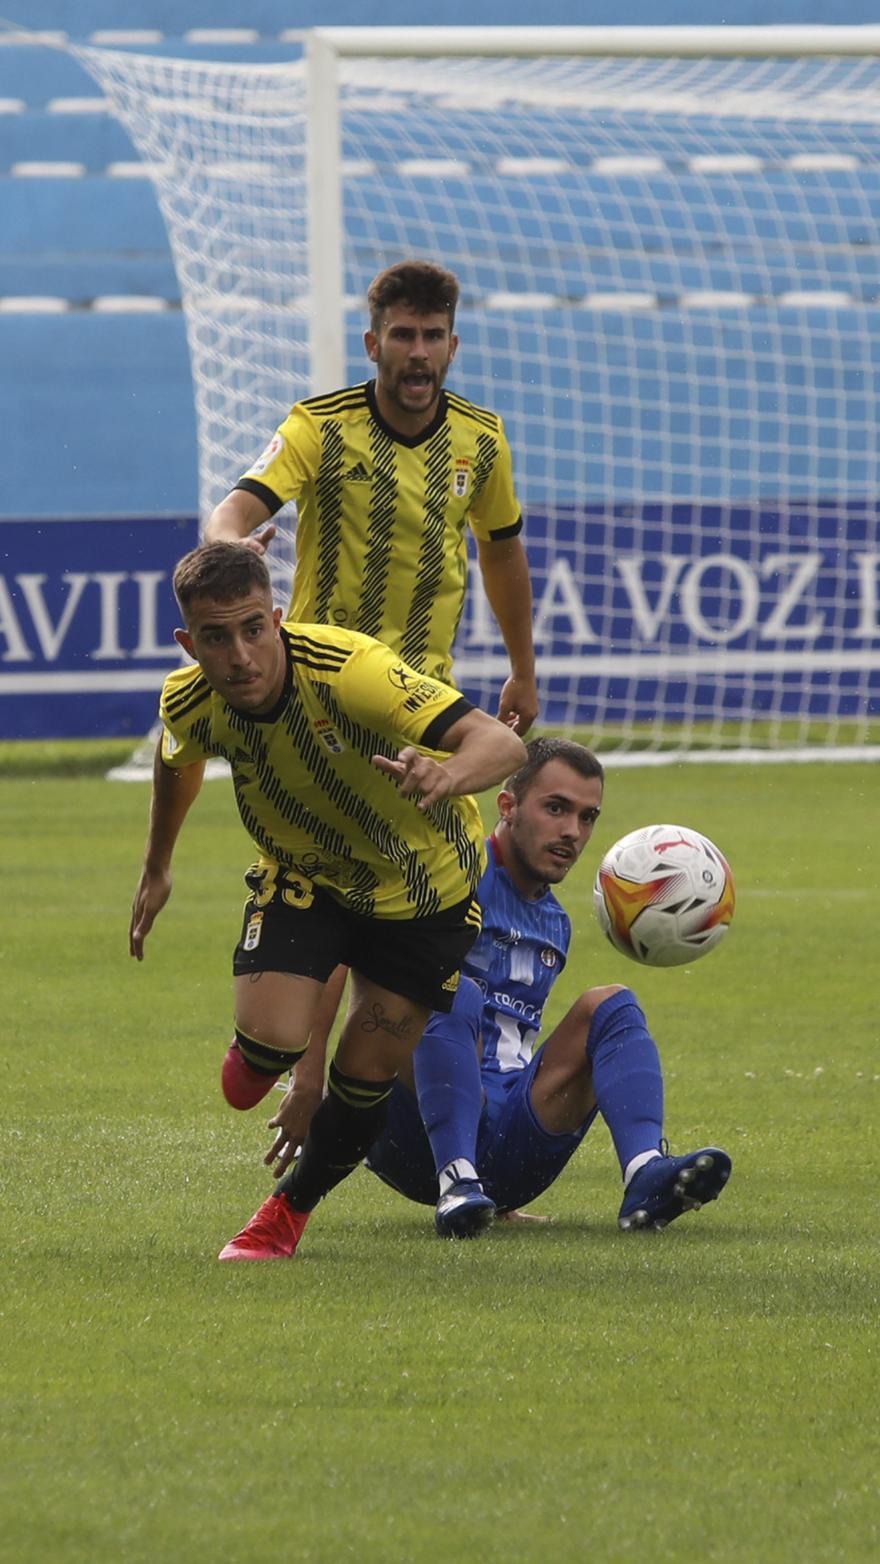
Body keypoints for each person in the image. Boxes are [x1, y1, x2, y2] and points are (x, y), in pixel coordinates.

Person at [128, 542, 526, 1262]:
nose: (240, 655)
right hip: (303, 876)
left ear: (276, 619)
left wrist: (446, 773)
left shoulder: (351, 671)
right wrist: (157, 866)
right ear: (190, 643)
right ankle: (260, 1050)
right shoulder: (188, 698)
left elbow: (500, 744)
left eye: (253, 629)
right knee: (260, 1063)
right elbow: (176, 754)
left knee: (365, 1072)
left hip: (423, 891)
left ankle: (285, 1214)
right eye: (216, 638)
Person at [357, 736, 732, 1238]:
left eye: (587, 816)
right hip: (410, 1135)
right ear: (507, 806)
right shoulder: (451, 875)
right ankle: (456, 1179)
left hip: (512, 1150)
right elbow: (353, 954)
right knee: (454, 989)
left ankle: (646, 1172)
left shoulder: (555, 922)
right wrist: (316, 1085)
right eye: (556, 808)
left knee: (613, 1004)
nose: (572, 832)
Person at [204, 257, 538, 736]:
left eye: (433, 336)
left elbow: (502, 552)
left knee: (452, 806)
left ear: (453, 347)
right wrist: (229, 545)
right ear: (373, 344)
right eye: (403, 335)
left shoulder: (482, 440)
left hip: (424, 694)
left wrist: (523, 672)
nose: (419, 352)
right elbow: (232, 511)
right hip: (318, 685)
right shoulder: (320, 427)